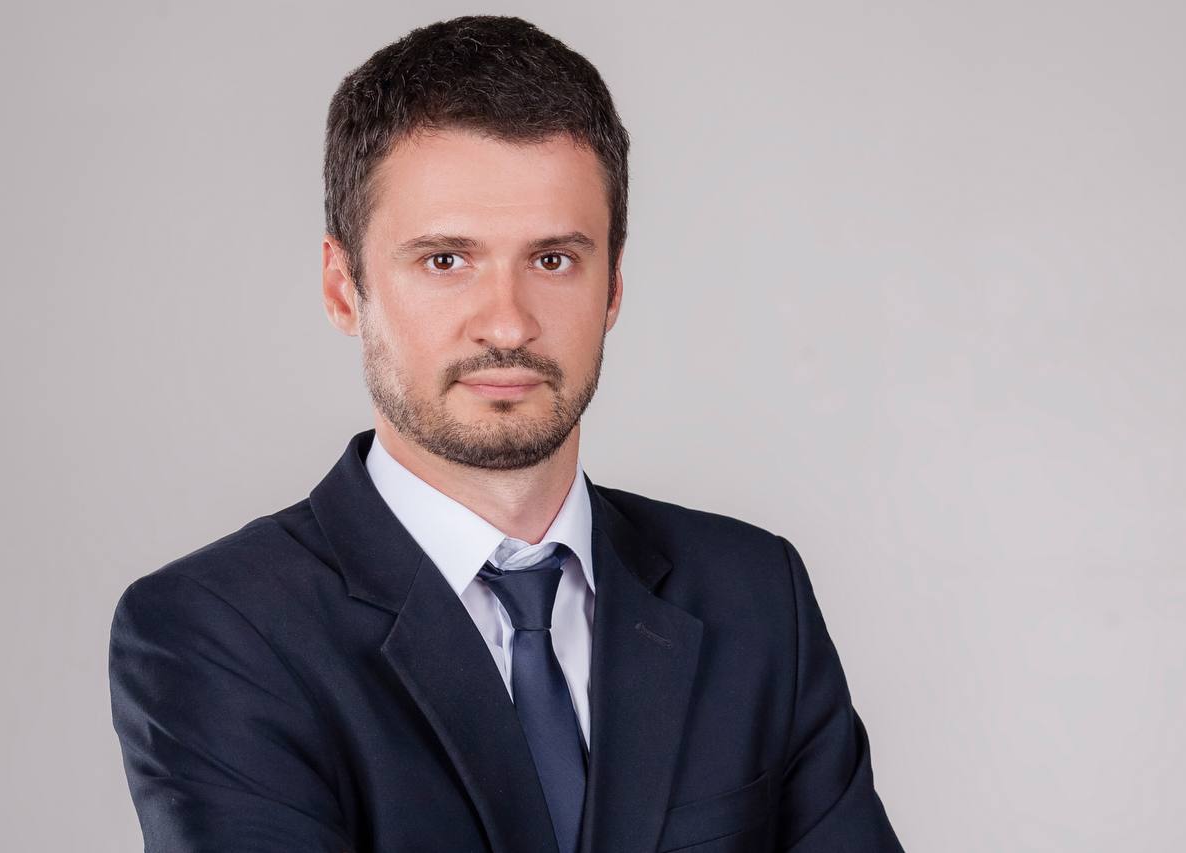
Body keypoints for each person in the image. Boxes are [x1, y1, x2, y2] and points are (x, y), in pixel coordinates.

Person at [108, 14, 905, 853]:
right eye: (445, 260)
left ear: (613, 287)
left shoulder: (754, 596)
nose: (508, 323)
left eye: (553, 260)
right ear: (344, 290)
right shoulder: (218, 631)